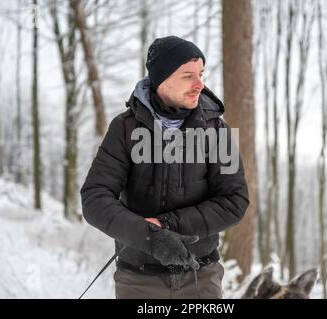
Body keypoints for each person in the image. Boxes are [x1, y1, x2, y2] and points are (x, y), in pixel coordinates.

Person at [80, 35, 249, 299]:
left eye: (201, 74)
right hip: (138, 278)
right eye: (187, 76)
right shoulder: (124, 128)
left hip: (200, 278)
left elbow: (234, 200)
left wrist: (167, 224)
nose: (199, 85)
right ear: (162, 79)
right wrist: (150, 237)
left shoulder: (218, 131)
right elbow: (94, 199)